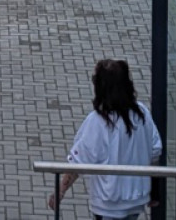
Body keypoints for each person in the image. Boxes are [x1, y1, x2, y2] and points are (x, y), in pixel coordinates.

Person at [47, 59, 162, 218]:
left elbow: (79, 162)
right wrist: (154, 190)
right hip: (136, 201)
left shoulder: (98, 122)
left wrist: (60, 191)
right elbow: (155, 150)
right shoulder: (142, 114)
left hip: (108, 204)